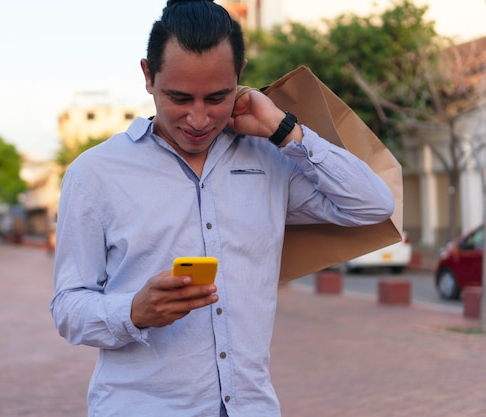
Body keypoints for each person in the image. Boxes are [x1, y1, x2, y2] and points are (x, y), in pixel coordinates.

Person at [50, 1, 395, 416]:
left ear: (240, 77)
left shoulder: (270, 159)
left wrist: (283, 129)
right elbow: (68, 307)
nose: (198, 118)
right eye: (179, 98)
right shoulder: (95, 173)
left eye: (217, 97)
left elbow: (373, 205)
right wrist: (133, 311)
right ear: (147, 76)